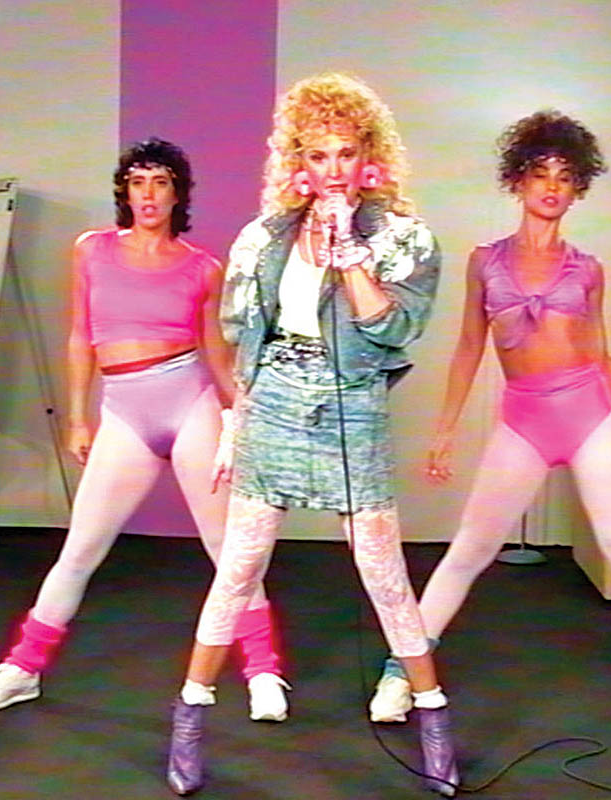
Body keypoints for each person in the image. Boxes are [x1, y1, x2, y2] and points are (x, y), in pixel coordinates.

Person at [165, 73, 458, 798]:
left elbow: (393, 327)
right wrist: (235, 424)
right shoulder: (264, 238)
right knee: (238, 568)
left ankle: (433, 720)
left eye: (345, 153)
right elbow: (245, 340)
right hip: (274, 403)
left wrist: (349, 250)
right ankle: (190, 718)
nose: (332, 169)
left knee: (384, 573)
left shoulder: (404, 239)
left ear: (369, 157)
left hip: (351, 403)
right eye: (318, 154)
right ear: (297, 161)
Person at [367, 110, 611, 728]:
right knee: (470, 549)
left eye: (565, 177)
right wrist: (445, 430)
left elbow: (600, 353)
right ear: (517, 180)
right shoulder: (484, 261)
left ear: (578, 189)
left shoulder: (588, 269)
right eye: (541, 173)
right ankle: (401, 671)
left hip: (589, 413)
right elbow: (469, 346)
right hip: (524, 419)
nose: (552, 186)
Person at [0, 139, 289, 724]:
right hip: (124, 412)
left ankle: (264, 672)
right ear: (125, 192)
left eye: (160, 182)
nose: (148, 194)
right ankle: (24, 668)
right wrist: (77, 416)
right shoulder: (91, 250)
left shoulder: (202, 267)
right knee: (80, 549)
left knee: (229, 550)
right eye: (138, 182)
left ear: (177, 194)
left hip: (189, 402)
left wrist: (244, 416)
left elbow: (217, 353)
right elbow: (79, 335)